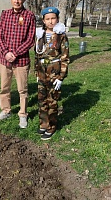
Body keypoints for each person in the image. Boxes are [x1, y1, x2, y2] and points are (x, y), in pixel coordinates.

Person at [0, 0, 36, 128]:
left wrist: (15, 53)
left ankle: (23, 113)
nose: (17, 1)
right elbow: (0, 36)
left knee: (22, 89)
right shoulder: (5, 14)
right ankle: (6, 110)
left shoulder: (29, 16)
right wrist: (5, 52)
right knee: (4, 87)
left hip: (21, 60)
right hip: (5, 59)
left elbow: (30, 39)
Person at [34, 7, 70, 140]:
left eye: (53, 18)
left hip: (54, 73)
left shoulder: (61, 36)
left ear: (57, 19)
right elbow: (36, 55)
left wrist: (61, 77)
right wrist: (36, 73)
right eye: (47, 19)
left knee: (52, 101)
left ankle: (52, 126)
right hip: (42, 72)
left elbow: (65, 57)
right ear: (43, 20)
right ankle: (44, 123)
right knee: (42, 100)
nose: (50, 21)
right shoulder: (40, 35)